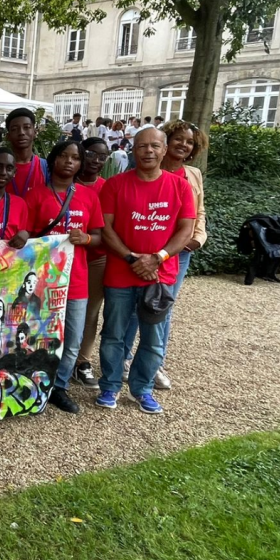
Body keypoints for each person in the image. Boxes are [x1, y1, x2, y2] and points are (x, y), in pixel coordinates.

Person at [95, 128, 196, 414]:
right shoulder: (115, 185)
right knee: (113, 334)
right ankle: (110, 386)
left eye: (154, 146)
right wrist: (131, 258)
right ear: (133, 150)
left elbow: (186, 229)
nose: (148, 151)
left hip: (160, 276)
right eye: (141, 146)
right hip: (120, 274)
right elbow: (106, 228)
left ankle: (142, 389)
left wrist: (157, 258)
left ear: (164, 150)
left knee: (153, 338)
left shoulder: (180, 187)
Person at [120, 120, 209, 390]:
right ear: (166, 142)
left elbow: (199, 212)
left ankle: (154, 364)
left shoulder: (192, 175)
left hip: (177, 253)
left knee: (161, 306)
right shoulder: (141, 170)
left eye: (190, 142)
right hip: (142, 251)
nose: (184, 145)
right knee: (134, 308)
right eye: (179, 139)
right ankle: (123, 358)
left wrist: (197, 238)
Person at [24, 140, 104, 413]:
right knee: (37, 334)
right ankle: (35, 383)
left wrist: (86, 238)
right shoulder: (35, 196)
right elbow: (26, 240)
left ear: (80, 164)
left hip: (76, 279)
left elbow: (99, 237)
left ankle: (59, 387)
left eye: (75, 158)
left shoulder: (89, 197)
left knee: (72, 339)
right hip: (43, 279)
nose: (69, 161)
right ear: (53, 160)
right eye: (64, 156)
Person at [72, 137, 110, 389]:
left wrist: (86, 239)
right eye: (90, 154)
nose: (96, 160)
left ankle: (82, 361)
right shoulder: (64, 183)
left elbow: (110, 228)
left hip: (96, 258)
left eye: (102, 156)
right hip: (65, 261)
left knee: (91, 312)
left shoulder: (107, 187)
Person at [2, 108, 48, 198]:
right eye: (15, 129)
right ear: (8, 136)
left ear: (35, 132)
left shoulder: (46, 168)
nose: (21, 133)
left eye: (26, 127)